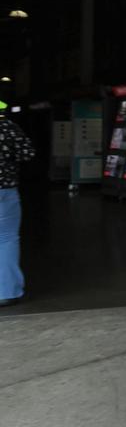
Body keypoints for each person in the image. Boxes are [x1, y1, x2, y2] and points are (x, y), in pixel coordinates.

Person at [0, 105, 35, 307]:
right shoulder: (8, 128)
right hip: (5, 191)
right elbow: (27, 153)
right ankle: (7, 291)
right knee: (7, 239)